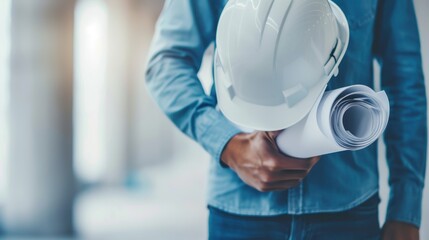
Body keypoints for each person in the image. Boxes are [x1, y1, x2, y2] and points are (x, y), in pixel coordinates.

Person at [145, 0, 427, 239]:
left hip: (348, 209)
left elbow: (404, 79)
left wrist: (406, 209)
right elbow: (166, 63)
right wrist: (229, 146)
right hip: (240, 211)